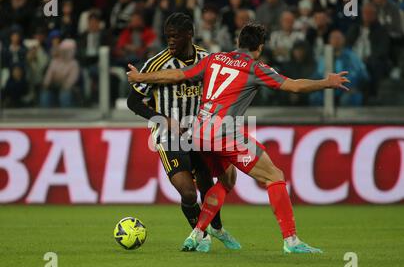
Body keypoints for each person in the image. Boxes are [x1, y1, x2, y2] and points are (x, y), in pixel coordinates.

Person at [127, 23, 350, 253]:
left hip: (198, 132)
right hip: (224, 133)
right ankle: (291, 241)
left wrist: (140, 76)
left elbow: (175, 75)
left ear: (237, 43)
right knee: (274, 176)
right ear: (260, 47)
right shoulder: (256, 67)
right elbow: (293, 86)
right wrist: (326, 82)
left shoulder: (214, 59)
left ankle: (197, 233)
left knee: (227, 181)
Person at [126, 13, 240, 253]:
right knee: (188, 192)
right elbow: (133, 102)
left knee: (208, 187)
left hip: (200, 133)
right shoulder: (156, 64)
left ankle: (216, 229)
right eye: (167, 37)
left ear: (189, 34)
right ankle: (203, 236)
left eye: (175, 37)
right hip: (168, 136)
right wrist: (163, 119)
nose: (170, 42)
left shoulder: (207, 60)